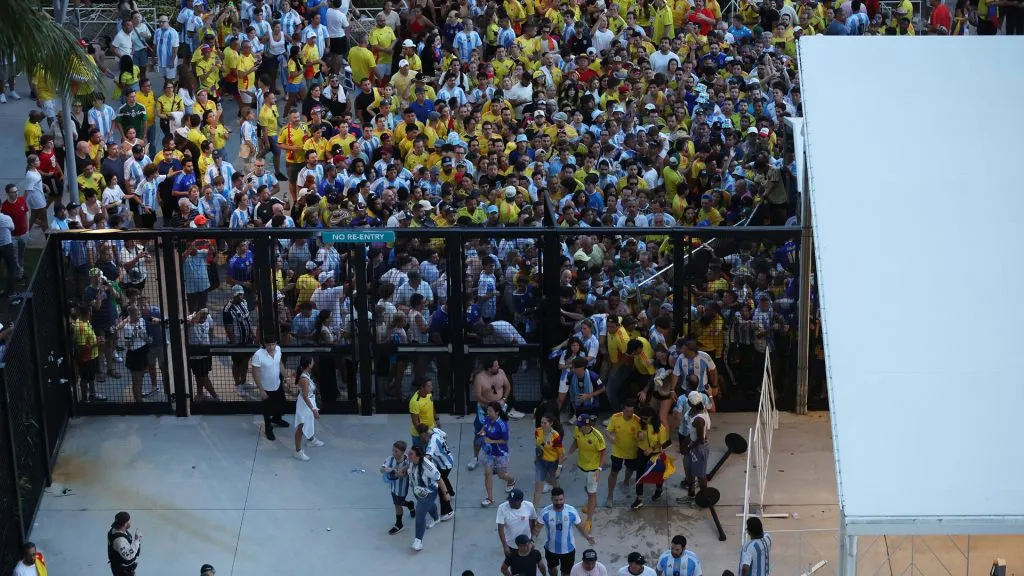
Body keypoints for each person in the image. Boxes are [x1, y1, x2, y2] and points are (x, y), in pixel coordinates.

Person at [468, 357, 523, 471]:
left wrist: (503, 399)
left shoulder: (501, 373)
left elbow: (507, 387)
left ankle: (497, 458)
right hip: (484, 410)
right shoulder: (480, 378)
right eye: (495, 366)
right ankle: (475, 457)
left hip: (499, 409)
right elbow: (478, 396)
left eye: (498, 365)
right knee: (480, 434)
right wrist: (491, 405)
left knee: (499, 434)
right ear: (489, 368)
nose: (498, 367)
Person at [535, 487, 597, 576]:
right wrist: (532, 540)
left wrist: (587, 537)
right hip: (550, 548)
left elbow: (580, 526)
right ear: (551, 499)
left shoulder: (571, 511)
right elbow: (537, 528)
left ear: (564, 498)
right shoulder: (545, 512)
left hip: (568, 550)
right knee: (552, 569)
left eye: (561, 499)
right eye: (556, 500)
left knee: (567, 572)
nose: (559, 502)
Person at [563, 413, 605, 532]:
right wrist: (569, 454)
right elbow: (576, 442)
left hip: (593, 470)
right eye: (579, 425)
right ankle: (593, 502)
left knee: (591, 493)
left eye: (581, 425)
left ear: (588, 425)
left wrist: (599, 469)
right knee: (587, 489)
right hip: (581, 466)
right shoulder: (578, 430)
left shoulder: (598, 437)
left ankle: (589, 520)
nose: (579, 427)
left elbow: (603, 452)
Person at [408, 444, 450, 551]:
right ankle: (436, 518)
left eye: (411, 454)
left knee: (420, 514)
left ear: (417, 456)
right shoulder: (412, 461)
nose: (409, 455)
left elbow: (439, 479)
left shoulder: (428, 467)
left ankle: (418, 541)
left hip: (429, 493)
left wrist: (445, 493)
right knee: (429, 506)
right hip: (418, 491)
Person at [479, 401, 517, 507]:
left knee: (501, 475)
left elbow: (505, 441)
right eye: (488, 410)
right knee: (487, 473)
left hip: (500, 453)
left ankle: (512, 480)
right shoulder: (487, 419)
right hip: (489, 453)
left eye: (490, 411)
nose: (488, 413)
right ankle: (489, 498)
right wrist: (482, 432)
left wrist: (491, 441)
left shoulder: (502, 425)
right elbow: (484, 427)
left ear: (497, 412)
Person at [631, 407, 669, 511]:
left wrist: (652, 448)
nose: (643, 420)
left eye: (645, 418)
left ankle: (659, 488)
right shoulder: (640, 424)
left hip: (654, 454)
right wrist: (638, 435)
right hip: (642, 452)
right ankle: (639, 498)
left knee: (657, 474)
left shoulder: (660, 428)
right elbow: (635, 436)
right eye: (642, 418)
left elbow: (664, 443)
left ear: (652, 417)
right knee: (639, 474)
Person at [605, 398, 641, 507]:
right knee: (613, 473)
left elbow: (641, 434)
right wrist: (610, 438)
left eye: (632, 411)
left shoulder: (637, 420)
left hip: (632, 452)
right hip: (617, 451)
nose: (630, 414)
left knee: (629, 469)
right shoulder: (615, 418)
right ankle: (610, 496)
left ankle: (626, 481)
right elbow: (608, 431)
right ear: (623, 410)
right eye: (628, 411)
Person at [677, 391, 711, 504]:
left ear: (691, 404)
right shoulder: (694, 410)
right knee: (689, 471)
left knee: (701, 476)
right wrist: (684, 444)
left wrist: (689, 446)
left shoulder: (699, 420)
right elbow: (692, 434)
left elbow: (701, 439)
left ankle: (705, 498)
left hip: (699, 449)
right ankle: (691, 495)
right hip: (691, 446)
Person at [252, 337, 287, 440]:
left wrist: (285, 377)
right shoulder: (258, 355)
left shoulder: (278, 349)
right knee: (267, 410)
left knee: (281, 403)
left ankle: (277, 419)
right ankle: (268, 429)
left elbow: (280, 364)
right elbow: (255, 373)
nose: (271, 347)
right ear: (264, 344)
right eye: (269, 345)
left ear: (276, 342)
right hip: (266, 387)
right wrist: (261, 390)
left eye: (273, 344)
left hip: (277, 384)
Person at [419, 423, 456, 520]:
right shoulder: (436, 430)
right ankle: (451, 492)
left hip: (444, 465)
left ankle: (448, 511)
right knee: (444, 478)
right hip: (449, 460)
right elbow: (445, 435)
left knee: (440, 486)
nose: (422, 438)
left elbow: (428, 456)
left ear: (424, 433)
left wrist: (420, 464)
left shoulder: (432, 441)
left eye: (422, 436)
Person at [381, 439, 417, 534]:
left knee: (397, 505)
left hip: (402, 488)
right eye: (393, 450)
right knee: (398, 503)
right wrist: (385, 470)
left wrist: (393, 471)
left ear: (402, 452)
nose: (393, 452)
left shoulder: (407, 462)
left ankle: (399, 525)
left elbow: (402, 475)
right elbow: (381, 469)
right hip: (393, 487)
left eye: (396, 451)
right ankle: (410, 505)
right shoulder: (390, 459)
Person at [292, 355, 324, 460]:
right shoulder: (304, 379)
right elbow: (305, 397)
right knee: (301, 427)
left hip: (308, 402)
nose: (313, 363)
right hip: (305, 404)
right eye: (312, 362)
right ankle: (298, 451)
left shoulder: (306, 374)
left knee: (308, 422)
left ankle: (311, 440)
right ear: (309, 364)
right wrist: (314, 409)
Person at [495, 487, 537, 557]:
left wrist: (532, 540)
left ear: (521, 500)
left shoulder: (529, 506)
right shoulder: (502, 508)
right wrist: (505, 546)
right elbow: (500, 529)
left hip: (526, 544)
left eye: (513, 502)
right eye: (509, 501)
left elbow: (533, 522)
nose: (510, 503)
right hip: (511, 544)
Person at [533, 413, 563, 506]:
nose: (542, 425)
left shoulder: (555, 436)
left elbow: (561, 454)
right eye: (541, 423)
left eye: (545, 423)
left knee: (555, 487)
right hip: (541, 462)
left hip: (552, 463)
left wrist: (559, 468)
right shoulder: (538, 431)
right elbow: (537, 445)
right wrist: (536, 457)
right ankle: (534, 514)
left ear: (551, 423)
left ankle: (558, 505)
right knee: (538, 488)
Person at [107, 511, 141, 576]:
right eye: (129, 521)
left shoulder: (114, 530)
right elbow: (128, 556)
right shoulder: (119, 540)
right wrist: (137, 540)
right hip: (122, 570)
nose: (130, 522)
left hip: (122, 567)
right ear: (125, 523)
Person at [408, 378, 435, 448]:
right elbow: (415, 421)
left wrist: (437, 419)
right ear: (422, 387)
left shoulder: (429, 394)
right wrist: (422, 434)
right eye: (428, 386)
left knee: (429, 455)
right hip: (420, 435)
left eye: (431, 385)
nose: (431, 387)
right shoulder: (415, 402)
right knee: (420, 456)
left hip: (430, 430)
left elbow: (432, 407)